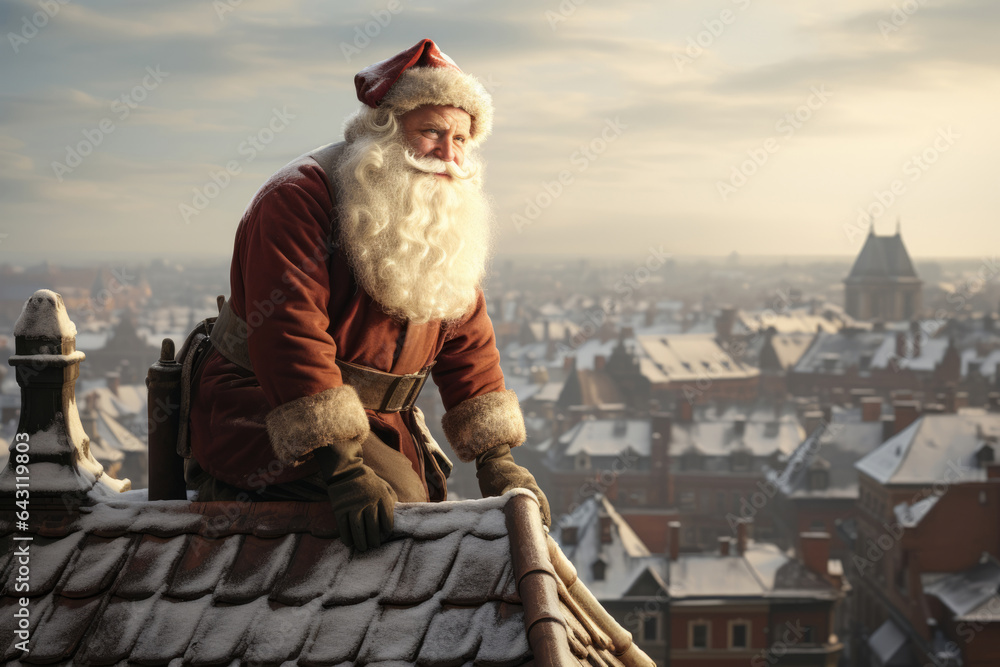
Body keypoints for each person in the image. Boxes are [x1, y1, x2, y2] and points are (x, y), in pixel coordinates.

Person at [186, 39, 550, 551]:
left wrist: (497, 458)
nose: (449, 155)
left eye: (462, 139)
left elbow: (467, 340)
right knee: (400, 514)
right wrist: (340, 466)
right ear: (386, 128)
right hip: (262, 409)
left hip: (381, 423)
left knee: (427, 509)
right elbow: (289, 333)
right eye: (431, 132)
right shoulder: (298, 199)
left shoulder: (441, 212)